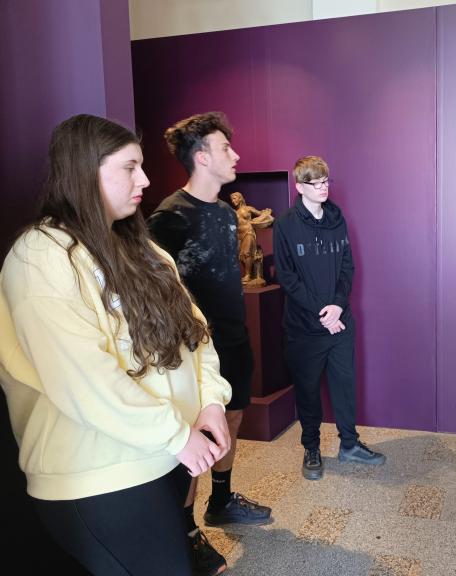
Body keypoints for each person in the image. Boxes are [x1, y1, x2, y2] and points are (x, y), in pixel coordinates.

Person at [0, 114, 232, 575]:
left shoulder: (144, 249)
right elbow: (84, 379)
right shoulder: (42, 255)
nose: (144, 180)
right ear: (85, 171)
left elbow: (195, 334)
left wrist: (210, 401)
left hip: (162, 459)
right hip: (100, 478)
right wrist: (174, 435)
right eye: (130, 167)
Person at [146, 112, 272, 573]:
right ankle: (186, 530)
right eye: (225, 149)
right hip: (196, 350)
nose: (235, 155)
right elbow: (152, 290)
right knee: (198, 433)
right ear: (201, 157)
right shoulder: (168, 217)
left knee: (232, 417)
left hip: (233, 339)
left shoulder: (223, 213)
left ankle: (221, 501)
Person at [273, 156, 385, 481]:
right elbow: (288, 278)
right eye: (315, 183)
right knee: (308, 391)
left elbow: (348, 267)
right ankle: (311, 448)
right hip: (304, 328)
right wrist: (323, 313)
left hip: (340, 322)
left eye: (325, 181)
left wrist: (337, 306)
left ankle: (349, 444)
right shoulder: (285, 225)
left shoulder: (337, 218)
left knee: (344, 386)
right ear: (299, 187)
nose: (323, 188)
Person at [230, 191, 273, 284]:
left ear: (240, 198)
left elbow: (260, 214)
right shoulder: (234, 212)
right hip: (239, 235)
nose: (233, 201)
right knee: (241, 256)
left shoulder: (248, 208)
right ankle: (248, 275)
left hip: (248, 232)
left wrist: (266, 214)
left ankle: (248, 275)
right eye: (231, 199)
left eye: (234, 198)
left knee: (247, 253)